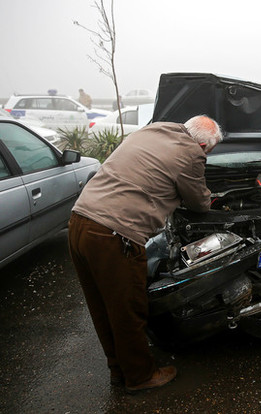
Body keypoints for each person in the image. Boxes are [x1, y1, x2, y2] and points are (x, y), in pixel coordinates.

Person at [68, 115, 223, 391]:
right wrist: (214, 199)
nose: (206, 156)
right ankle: (140, 376)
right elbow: (199, 203)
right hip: (114, 234)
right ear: (201, 144)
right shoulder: (191, 154)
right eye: (208, 152)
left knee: (103, 307)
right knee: (129, 309)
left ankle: (119, 370)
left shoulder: (155, 130)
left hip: (80, 222)